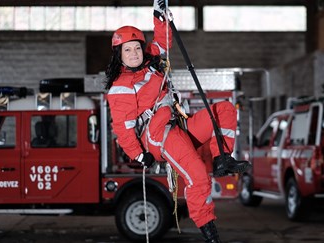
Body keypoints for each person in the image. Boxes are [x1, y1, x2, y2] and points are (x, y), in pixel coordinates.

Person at [104, 1, 251, 242]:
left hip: (176, 125)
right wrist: (139, 155)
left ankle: (222, 158)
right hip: (158, 135)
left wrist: (159, 16)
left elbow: (162, 42)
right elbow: (123, 127)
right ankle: (206, 225)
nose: (133, 54)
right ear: (119, 55)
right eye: (127, 50)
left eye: (136, 48)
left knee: (224, 110)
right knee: (197, 177)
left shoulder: (151, 62)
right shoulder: (121, 87)